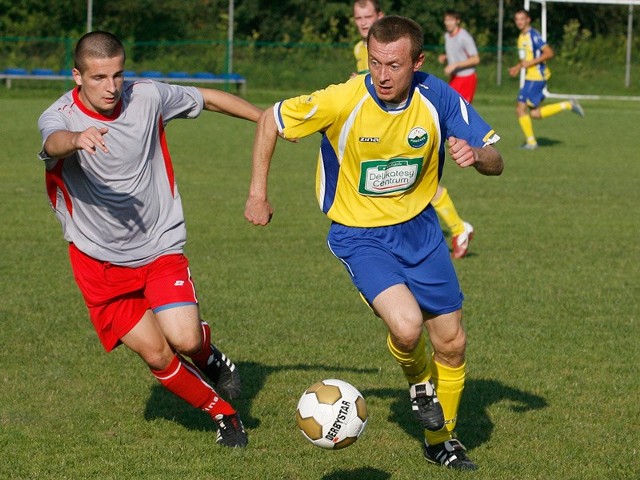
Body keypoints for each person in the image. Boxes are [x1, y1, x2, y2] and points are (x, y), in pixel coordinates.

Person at [245, 16, 504, 470]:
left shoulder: (437, 95)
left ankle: (440, 439)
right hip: (359, 236)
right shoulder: (342, 99)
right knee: (406, 327)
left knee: (452, 344)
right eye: (375, 63)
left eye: (395, 65)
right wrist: (257, 193)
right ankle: (420, 385)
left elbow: (496, 158)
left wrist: (476, 154)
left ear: (418, 63)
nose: (382, 75)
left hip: (421, 231)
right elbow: (271, 119)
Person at [37, 31, 260, 448]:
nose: (111, 87)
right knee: (157, 354)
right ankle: (225, 416)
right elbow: (52, 142)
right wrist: (77, 140)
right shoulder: (61, 116)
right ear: (77, 76)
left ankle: (208, 355)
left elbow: (208, 98)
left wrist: (268, 120)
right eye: (99, 77)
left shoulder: (147, 96)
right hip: (98, 262)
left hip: (158, 246)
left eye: (118, 75)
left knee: (186, 339)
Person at [352, 1, 475, 259]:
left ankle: (457, 227)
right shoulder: (359, 48)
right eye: (358, 17)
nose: (363, 22)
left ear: (380, 16)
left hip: (406, 122)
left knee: (410, 179)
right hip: (379, 125)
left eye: (368, 16)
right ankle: (456, 227)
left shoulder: (399, 47)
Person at [508, 9, 584, 150]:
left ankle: (531, 143)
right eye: (517, 19)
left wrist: (529, 64)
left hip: (536, 77)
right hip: (531, 77)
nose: (519, 21)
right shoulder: (521, 37)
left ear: (528, 20)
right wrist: (517, 67)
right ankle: (568, 105)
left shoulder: (533, 35)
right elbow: (525, 59)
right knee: (535, 113)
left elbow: (549, 53)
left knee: (520, 108)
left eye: (522, 18)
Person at [437, 9, 480, 103]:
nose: (448, 23)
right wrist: (445, 57)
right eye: (446, 20)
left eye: (451, 20)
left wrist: (455, 65)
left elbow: (476, 59)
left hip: (467, 78)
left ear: (457, 21)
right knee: (447, 106)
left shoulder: (464, 37)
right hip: (455, 78)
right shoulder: (447, 36)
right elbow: (458, 53)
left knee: (462, 111)